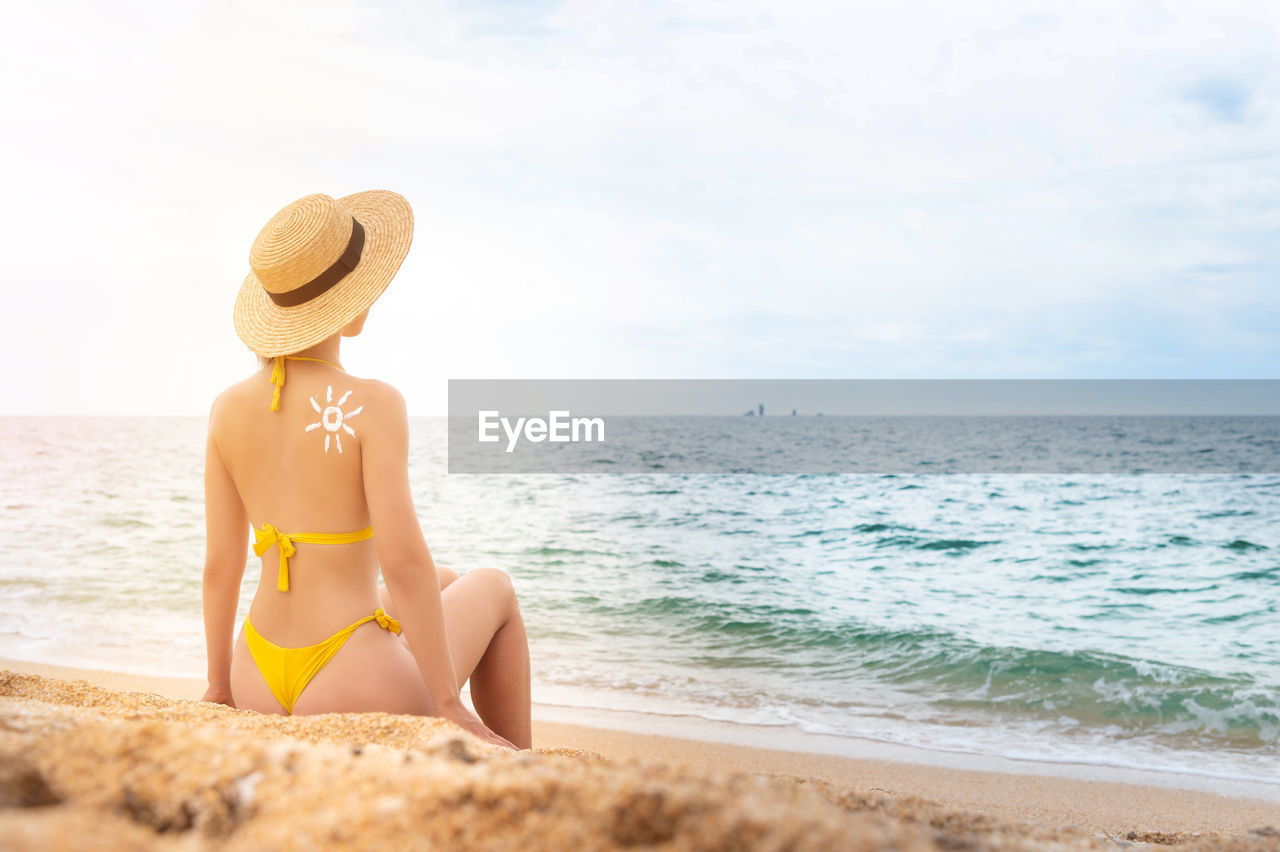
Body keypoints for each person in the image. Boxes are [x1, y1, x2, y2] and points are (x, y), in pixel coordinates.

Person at [201, 190, 530, 751]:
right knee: (494, 587)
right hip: (350, 680)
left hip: (255, 671)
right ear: (347, 302)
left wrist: (219, 685)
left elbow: (220, 565)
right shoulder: (373, 403)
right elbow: (403, 560)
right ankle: (523, 763)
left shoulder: (227, 408)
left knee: (448, 578)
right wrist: (448, 703)